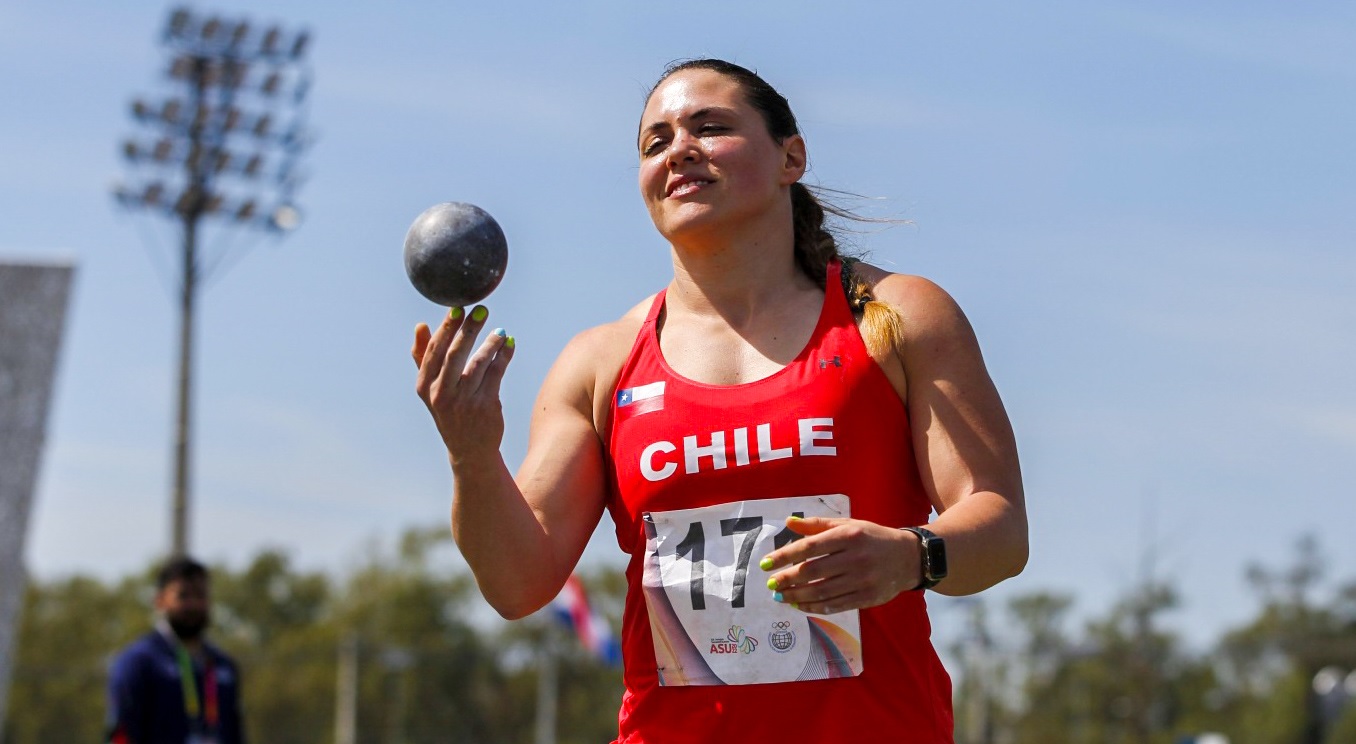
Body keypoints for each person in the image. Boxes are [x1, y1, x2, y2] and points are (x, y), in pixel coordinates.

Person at [412, 58, 1027, 743]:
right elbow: (516, 583)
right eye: (656, 141)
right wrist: (471, 455)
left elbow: (999, 529)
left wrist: (911, 556)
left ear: (791, 156)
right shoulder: (600, 363)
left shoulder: (894, 315)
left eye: (710, 127)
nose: (680, 149)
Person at [106, 557, 244, 744]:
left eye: (200, 595)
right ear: (160, 600)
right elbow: (121, 735)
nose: (193, 604)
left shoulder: (222, 664)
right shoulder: (139, 662)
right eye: (183, 596)